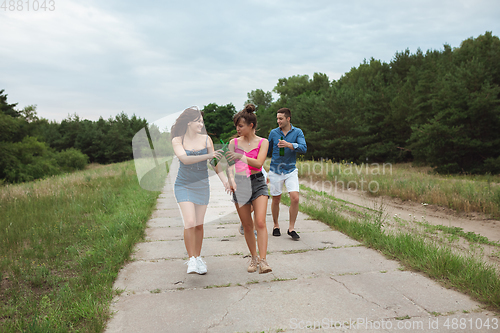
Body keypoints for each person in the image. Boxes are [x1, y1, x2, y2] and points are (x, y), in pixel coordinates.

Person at [171, 106, 227, 274]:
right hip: (184, 184)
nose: (201, 125)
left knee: (199, 225)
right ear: (189, 123)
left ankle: (198, 257)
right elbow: (185, 159)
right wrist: (209, 155)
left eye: (202, 121)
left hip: (202, 186)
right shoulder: (177, 140)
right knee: (189, 222)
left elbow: (215, 163)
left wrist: (225, 181)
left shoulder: (206, 139)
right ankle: (192, 260)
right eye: (198, 121)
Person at [226, 104, 272, 274]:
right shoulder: (233, 143)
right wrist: (230, 179)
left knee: (260, 222)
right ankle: (253, 258)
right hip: (240, 184)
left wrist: (241, 156)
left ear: (251, 125)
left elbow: (259, 163)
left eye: (241, 126)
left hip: (258, 182)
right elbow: (229, 166)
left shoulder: (263, 142)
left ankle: (263, 260)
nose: (237, 129)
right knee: (247, 225)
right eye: (236, 126)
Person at [267, 107, 307, 240]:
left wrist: (290, 145)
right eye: (277, 118)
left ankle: (291, 228)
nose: (278, 121)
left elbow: (303, 148)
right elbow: (266, 151)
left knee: (295, 198)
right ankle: (276, 225)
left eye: (280, 118)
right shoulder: (273, 133)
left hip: (290, 170)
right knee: (276, 199)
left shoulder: (298, 132)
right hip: (275, 170)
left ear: (288, 119)